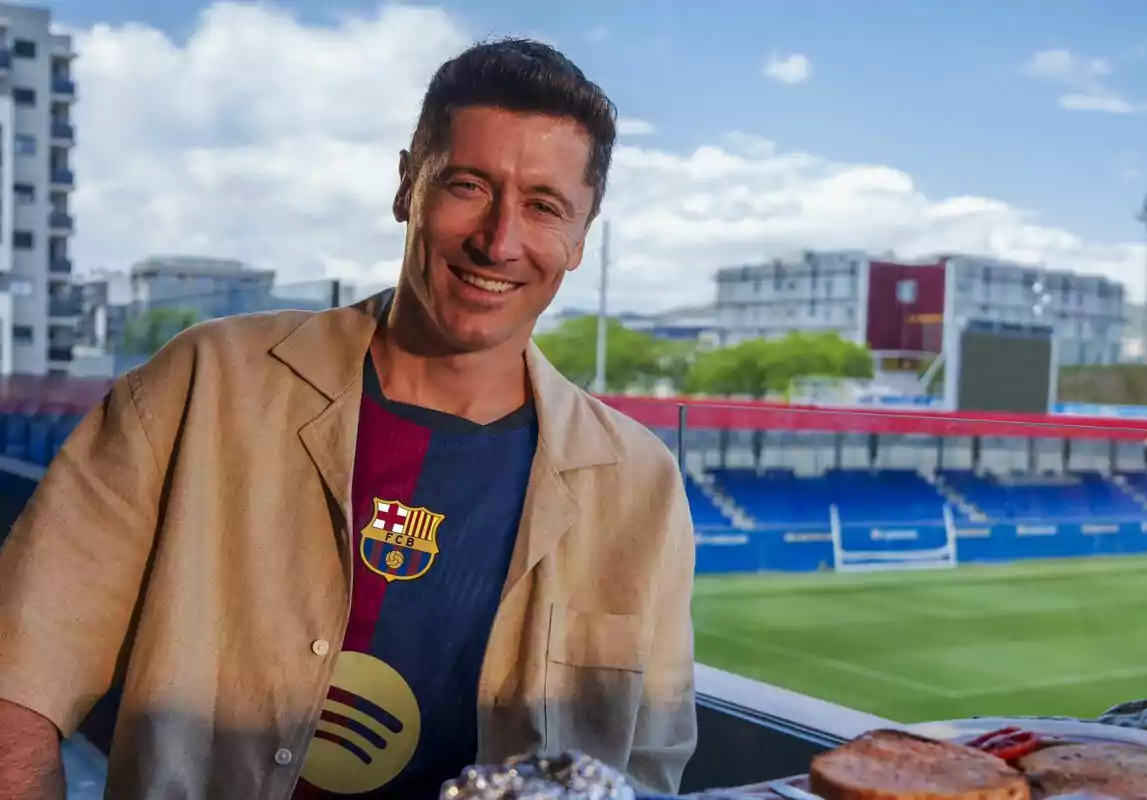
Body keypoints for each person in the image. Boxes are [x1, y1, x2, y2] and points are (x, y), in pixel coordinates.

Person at [0, 38, 697, 800]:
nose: (498, 241)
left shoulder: (638, 485)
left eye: (542, 206)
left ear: (580, 237)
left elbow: (645, 776)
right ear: (408, 187)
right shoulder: (203, 385)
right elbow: (16, 686)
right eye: (467, 185)